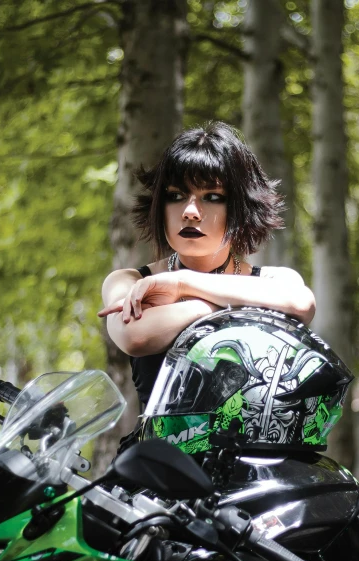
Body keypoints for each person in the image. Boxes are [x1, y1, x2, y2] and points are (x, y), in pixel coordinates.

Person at [99, 121, 316, 415]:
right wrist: (214, 308)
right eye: (175, 195)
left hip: (253, 457)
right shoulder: (128, 280)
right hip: (159, 458)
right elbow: (135, 336)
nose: (190, 212)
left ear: (240, 207)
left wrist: (182, 285)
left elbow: (300, 303)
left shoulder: (276, 280)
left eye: (212, 197)